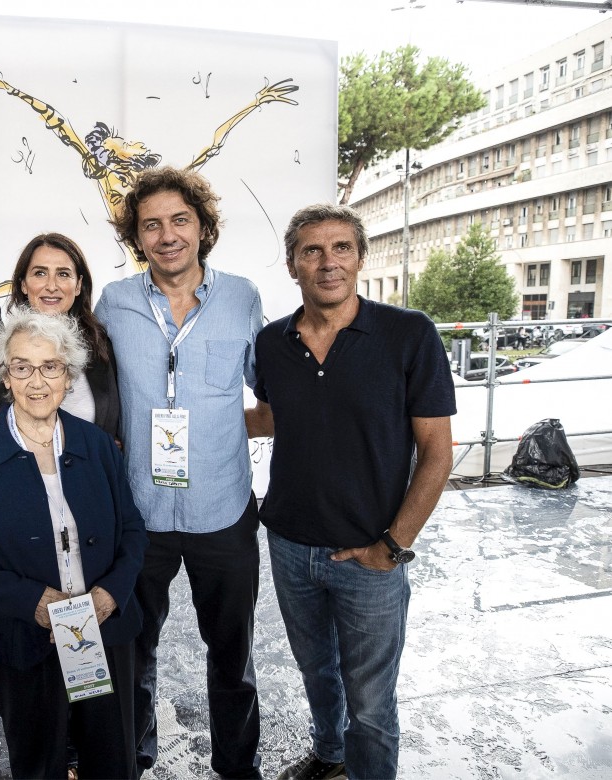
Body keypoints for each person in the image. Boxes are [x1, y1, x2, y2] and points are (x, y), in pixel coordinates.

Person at [245, 204, 455, 780]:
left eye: (341, 248)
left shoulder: (408, 334)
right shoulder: (271, 342)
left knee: (371, 702)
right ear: (292, 265)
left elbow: (438, 453)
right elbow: (271, 416)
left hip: (371, 554)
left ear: (360, 258)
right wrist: (172, 428)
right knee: (316, 672)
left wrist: (393, 545)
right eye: (312, 250)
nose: (327, 262)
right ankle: (330, 757)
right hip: (289, 544)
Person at [94, 166, 265, 779]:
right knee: (131, 654)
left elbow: (268, 387)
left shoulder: (243, 296)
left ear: (203, 226)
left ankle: (238, 768)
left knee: (233, 655)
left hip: (223, 508)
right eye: (152, 225)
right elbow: (76, 381)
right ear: (136, 237)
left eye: (180, 220)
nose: (167, 235)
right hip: (139, 513)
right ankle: (132, 762)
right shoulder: (113, 302)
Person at [0, 307, 148, 780]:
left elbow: (133, 530)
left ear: (69, 375)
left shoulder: (96, 445)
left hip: (103, 629)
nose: (37, 380)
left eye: (50, 366)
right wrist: (34, 603)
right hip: (23, 637)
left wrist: (109, 595)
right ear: (5, 376)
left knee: (112, 760)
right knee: (39, 764)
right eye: (22, 366)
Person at [0, 232, 120, 440]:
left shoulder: (101, 346)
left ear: (78, 285)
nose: (51, 286)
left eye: (63, 274)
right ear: (23, 284)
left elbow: (113, 425)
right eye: (40, 273)